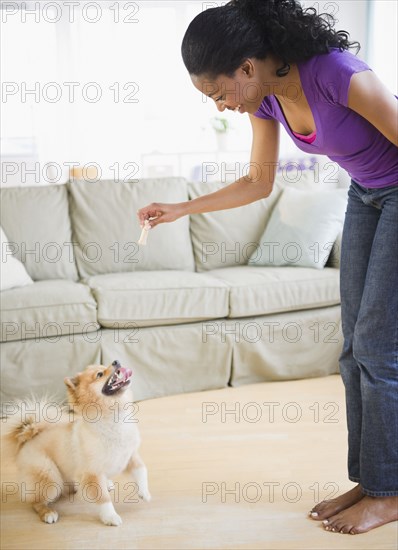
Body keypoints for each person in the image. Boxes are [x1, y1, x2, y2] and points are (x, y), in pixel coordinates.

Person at [137, 0, 398, 535]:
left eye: (217, 92)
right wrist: (181, 209)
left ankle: (391, 493)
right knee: (352, 349)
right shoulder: (267, 100)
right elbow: (259, 182)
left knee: (378, 346)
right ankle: (374, 479)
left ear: (247, 68)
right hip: (367, 194)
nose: (218, 105)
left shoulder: (339, 75)